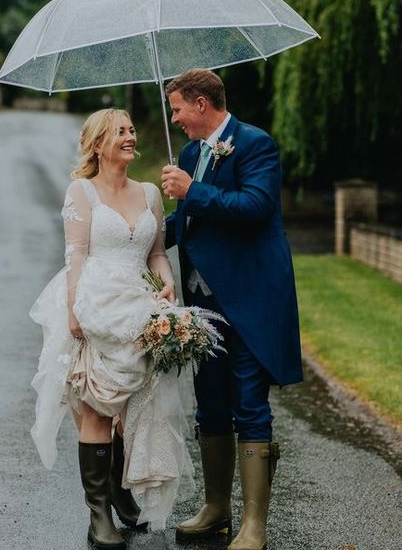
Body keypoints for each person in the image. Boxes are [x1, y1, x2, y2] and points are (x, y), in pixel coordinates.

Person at [29, 108, 194, 550]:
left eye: (131, 129)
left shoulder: (149, 194)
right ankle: (98, 513)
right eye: (119, 131)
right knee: (99, 407)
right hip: (97, 305)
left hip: (141, 308)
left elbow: (156, 253)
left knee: (137, 406)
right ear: (98, 145)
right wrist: (74, 308)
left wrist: (168, 281)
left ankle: (121, 493)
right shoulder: (81, 192)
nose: (129, 136)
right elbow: (76, 255)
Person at [161, 69, 303, 550]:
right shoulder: (189, 153)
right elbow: (188, 222)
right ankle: (216, 508)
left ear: (202, 104)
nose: (175, 118)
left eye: (178, 108)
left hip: (249, 300)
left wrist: (191, 191)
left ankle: (254, 526)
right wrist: (135, 237)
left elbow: (255, 207)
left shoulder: (255, 144)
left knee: (248, 403)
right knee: (212, 404)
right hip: (203, 307)